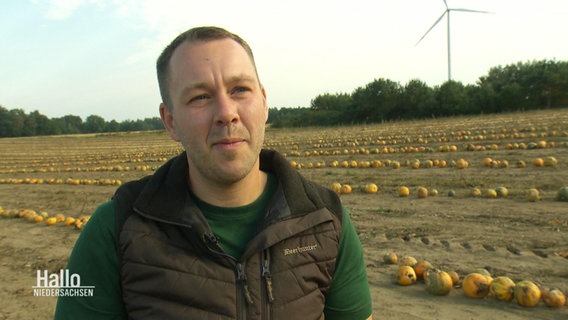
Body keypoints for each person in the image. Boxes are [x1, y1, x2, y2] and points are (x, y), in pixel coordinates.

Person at [54, 26, 373, 320]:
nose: (226, 113)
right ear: (170, 121)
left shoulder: (326, 221)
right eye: (200, 97)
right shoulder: (114, 228)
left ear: (263, 102)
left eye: (240, 90)